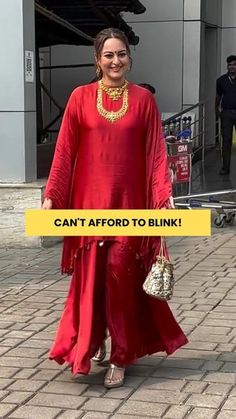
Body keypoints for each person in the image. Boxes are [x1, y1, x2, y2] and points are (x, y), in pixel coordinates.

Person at [42, 27, 187, 389]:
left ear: (129, 58)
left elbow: (156, 153)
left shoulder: (142, 100)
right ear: (97, 59)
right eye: (108, 55)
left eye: (121, 54)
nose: (115, 61)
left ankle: (122, 355)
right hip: (88, 209)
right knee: (91, 280)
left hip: (129, 208)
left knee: (120, 277)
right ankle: (93, 342)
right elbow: (64, 153)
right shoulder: (79, 97)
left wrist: (161, 196)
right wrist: (52, 196)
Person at [216, 54, 236, 175]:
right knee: (226, 140)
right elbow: (218, 96)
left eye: (234, 64)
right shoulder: (221, 80)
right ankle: (225, 167)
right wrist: (216, 110)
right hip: (227, 113)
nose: (232, 67)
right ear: (227, 66)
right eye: (230, 65)